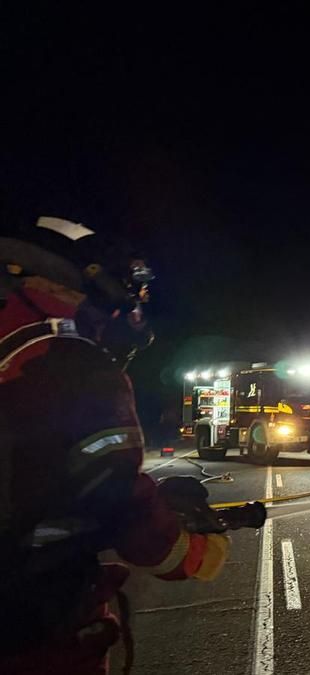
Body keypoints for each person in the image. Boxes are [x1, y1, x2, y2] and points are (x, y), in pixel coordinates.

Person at [0, 217, 235, 674]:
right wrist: (195, 549)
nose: (132, 310)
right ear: (93, 286)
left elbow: (43, 481)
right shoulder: (70, 366)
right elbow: (120, 503)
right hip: (31, 632)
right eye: (132, 294)